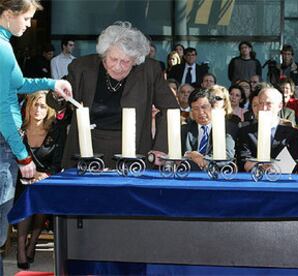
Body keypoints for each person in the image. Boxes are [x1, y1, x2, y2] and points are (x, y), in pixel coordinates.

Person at [0, 0, 72, 273]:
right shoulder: (2, 47)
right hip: (4, 145)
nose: (29, 25)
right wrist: (22, 155)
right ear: (9, 14)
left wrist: (53, 83)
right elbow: (4, 109)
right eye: (27, 18)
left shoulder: (5, 46)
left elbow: (18, 85)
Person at [60, 21, 179, 169]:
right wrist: (57, 96)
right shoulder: (82, 67)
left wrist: (161, 147)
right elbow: (62, 102)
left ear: (136, 61)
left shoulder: (149, 70)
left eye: (125, 62)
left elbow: (171, 108)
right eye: (113, 59)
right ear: (104, 54)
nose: (117, 66)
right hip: (87, 147)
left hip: (134, 150)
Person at [16, 91, 66, 269]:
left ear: (49, 110)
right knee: (28, 193)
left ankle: (32, 243)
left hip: (46, 180)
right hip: (19, 179)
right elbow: (12, 159)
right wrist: (29, 173)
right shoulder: (18, 129)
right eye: (34, 105)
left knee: (41, 193)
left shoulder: (56, 131)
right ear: (28, 107)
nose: (38, 110)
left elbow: (58, 162)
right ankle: (21, 248)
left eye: (43, 106)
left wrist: (45, 175)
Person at [237, 87, 298, 172]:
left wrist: (272, 170)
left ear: (280, 106)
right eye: (260, 103)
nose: (263, 108)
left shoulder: (293, 134)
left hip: (282, 180)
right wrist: (260, 169)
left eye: (268, 104)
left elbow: (293, 160)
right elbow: (243, 160)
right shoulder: (246, 132)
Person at [181, 89, 235, 170]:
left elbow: (227, 154)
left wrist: (203, 159)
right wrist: (189, 154)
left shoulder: (227, 128)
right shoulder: (184, 129)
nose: (201, 112)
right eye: (196, 109)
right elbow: (176, 153)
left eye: (204, 107)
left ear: (212, 106)